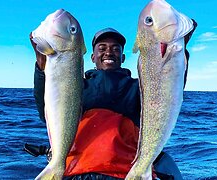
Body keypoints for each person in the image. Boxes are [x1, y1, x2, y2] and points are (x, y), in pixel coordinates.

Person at [29, 22, 197, 180]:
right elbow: (48, 112)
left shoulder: (140, 88)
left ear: (123, 57)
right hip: (75, 172)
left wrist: (177, 51)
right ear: (93, 57)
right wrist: (42, 69)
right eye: (102, 48)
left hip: (127, 174)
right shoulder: (75, 88)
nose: (109, 52)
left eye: (115, 49)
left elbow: (168, 92)